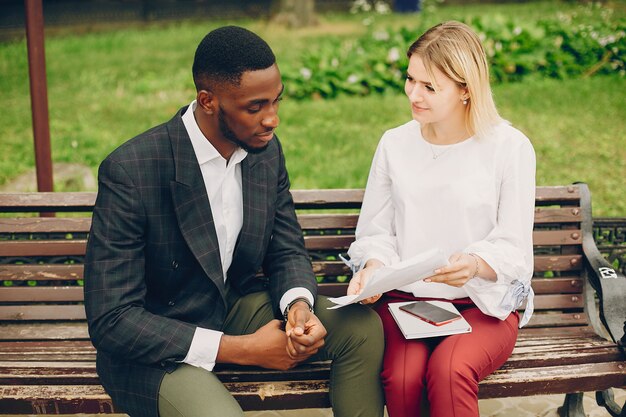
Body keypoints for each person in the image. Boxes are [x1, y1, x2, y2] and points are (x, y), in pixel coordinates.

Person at [84, 25, 384, 417]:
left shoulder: (264, 153)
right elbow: (112, 319)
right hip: (157, 344)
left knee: (360, 329)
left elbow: (285, 248)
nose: (272, 119)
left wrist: (297, 307)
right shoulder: (132, 170)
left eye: (277, 101)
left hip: (233, 307)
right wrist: (241, 350)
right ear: (208, 101)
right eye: (255, 107)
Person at [345, 21, 536, 417]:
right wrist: (374, 267)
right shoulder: (395, 144)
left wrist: (474, 264)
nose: (414, 94)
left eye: (430, 87)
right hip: (407, 303)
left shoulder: (509, 148)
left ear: (466, 89)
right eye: (410, 79)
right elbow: (376, 231)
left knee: (449, 370)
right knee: (402, 379)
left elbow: (514, 247)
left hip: (482, 305)